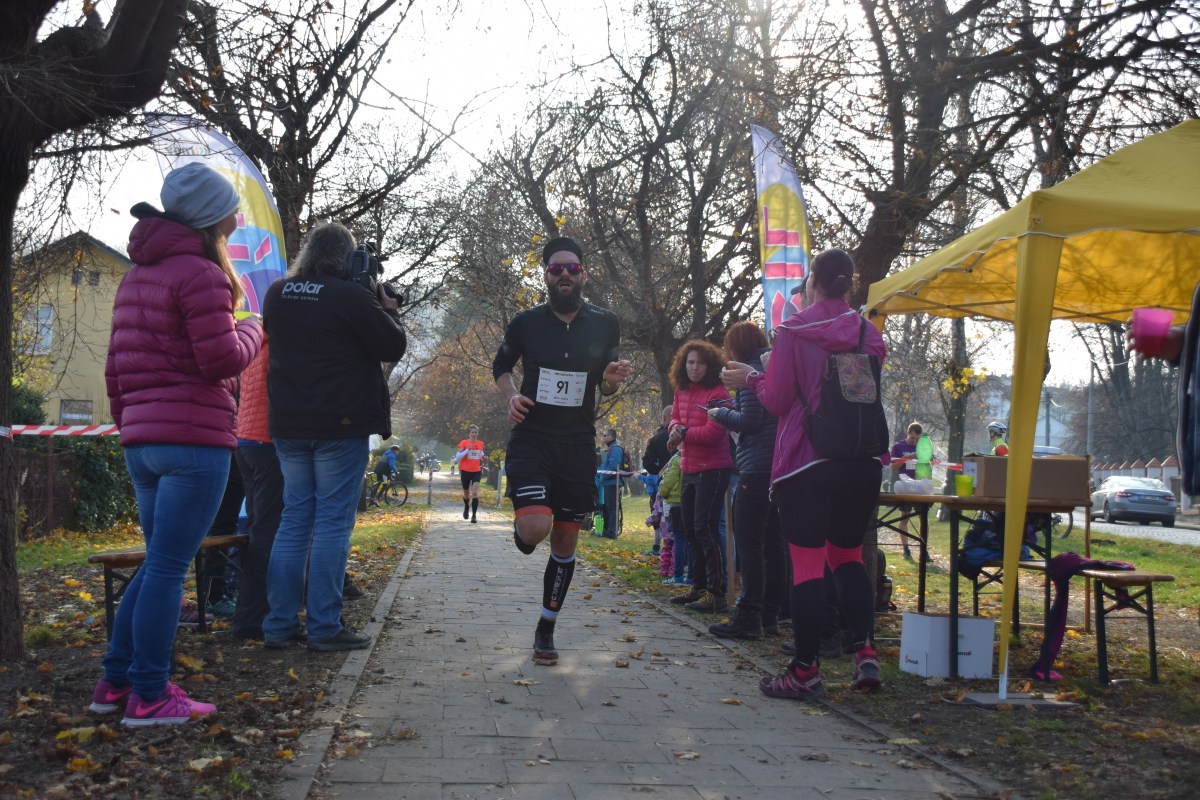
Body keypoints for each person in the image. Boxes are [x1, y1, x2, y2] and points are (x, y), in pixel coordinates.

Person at [93, 162, 263, 726]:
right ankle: (149, 694)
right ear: (215, 216)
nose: (237, 217)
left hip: (143, 441)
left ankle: (115, 683)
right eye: (231, 209)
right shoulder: (202, 274)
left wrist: (131, 427)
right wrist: (253, 328)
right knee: (168, 569)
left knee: (157, 565)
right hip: (194, 441)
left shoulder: (136, 277)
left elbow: (115, 369)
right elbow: (221, 360)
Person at [723, 247, 886, 699]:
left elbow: (776, 401)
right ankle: (865, 652)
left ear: (813, 282)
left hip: (808, 462)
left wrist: (751, 378)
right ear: (849, 285)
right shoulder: (868, 332)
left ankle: (804, 671)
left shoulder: (794, 331)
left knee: (809, 564)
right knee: (848, 556)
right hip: (863, 462)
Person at [262, 222, 407, 652]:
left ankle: (279, 625)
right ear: (348, 258)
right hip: (339, 426)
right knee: (331, 525)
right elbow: (392, 346)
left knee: (293, 522)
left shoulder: (277, 294)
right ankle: (324, 626)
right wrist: (388, 308)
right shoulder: (350, 297)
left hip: (288, 424)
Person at [493, 235, 630, 665]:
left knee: (567, 539)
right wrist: (511, 396)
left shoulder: (605, 323)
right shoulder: (526, 322)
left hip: (577, 443)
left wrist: (611, 379)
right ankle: (525, 530)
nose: (565, 274)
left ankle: (546, 628)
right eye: (556, 269)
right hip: (533, 437)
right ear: (547, 276)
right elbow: (500, 365)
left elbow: (607, 383)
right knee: (536, 528)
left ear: (584, 274)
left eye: (572, 268)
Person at [707, 321, 785, 640]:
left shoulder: (747, 374)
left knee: (750, 542)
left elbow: (751, 420)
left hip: (756, 468)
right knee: (773, 544)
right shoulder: (773, 368)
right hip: (778, 467)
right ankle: (770, 614)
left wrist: (719, 415)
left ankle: (749, 613)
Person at [667, 340, 735, 614]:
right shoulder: (681, 390)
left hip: (714, 469)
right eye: (690, 362)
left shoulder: (718, 392)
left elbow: (715, 432)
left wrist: (683, 433)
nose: (694, 368)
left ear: (710, 366)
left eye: (700, 363)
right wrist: (674, 429)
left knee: (705, 528)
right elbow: (674, 418)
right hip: (688, 467)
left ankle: (717, 593)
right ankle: (698, 586)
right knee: (690, 530)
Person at [229, 340, 286, 641]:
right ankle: (252, 619)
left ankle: (248, 612)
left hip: (245, 440)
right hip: (266, 440)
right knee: (266, 532)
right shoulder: (279, 340)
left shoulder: (254, 339)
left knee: (257, 528)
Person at [889, 422, 923, 560]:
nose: (914, 441)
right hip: (905, 486)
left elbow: (931, 464)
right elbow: (893, 467)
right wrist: (908, 457)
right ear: (908, 433)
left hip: (920, 486)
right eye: (912, 438)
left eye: (917, 439)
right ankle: (906, 548)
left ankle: (923, 549)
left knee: (923, 518)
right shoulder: (898, 446)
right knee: (904, 517)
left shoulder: (922, 447)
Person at [596, 428, 627, 539]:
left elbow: (613, 466)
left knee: (612, 508)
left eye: (605, 435)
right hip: (608, 482)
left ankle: (612, 532)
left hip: (613, 483)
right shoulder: (610, 449)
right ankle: (607, 530)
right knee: (608, 508)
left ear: (611, 436)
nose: (603, 438)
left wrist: (602, 477)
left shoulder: (615, 449)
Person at [455, 425, 485, 523]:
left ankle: (474, 516)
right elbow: (458, 457)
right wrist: (467, 450)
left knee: (475, 492)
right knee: (466, 494)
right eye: (472, 432)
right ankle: (466, 506)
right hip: (465, 471)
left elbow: (480, 453)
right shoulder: (463, 443)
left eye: (476, 432)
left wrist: (484, 457)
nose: (474, 434)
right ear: (469, 433)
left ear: (478, 433)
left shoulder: (480, 443)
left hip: (476, 471)